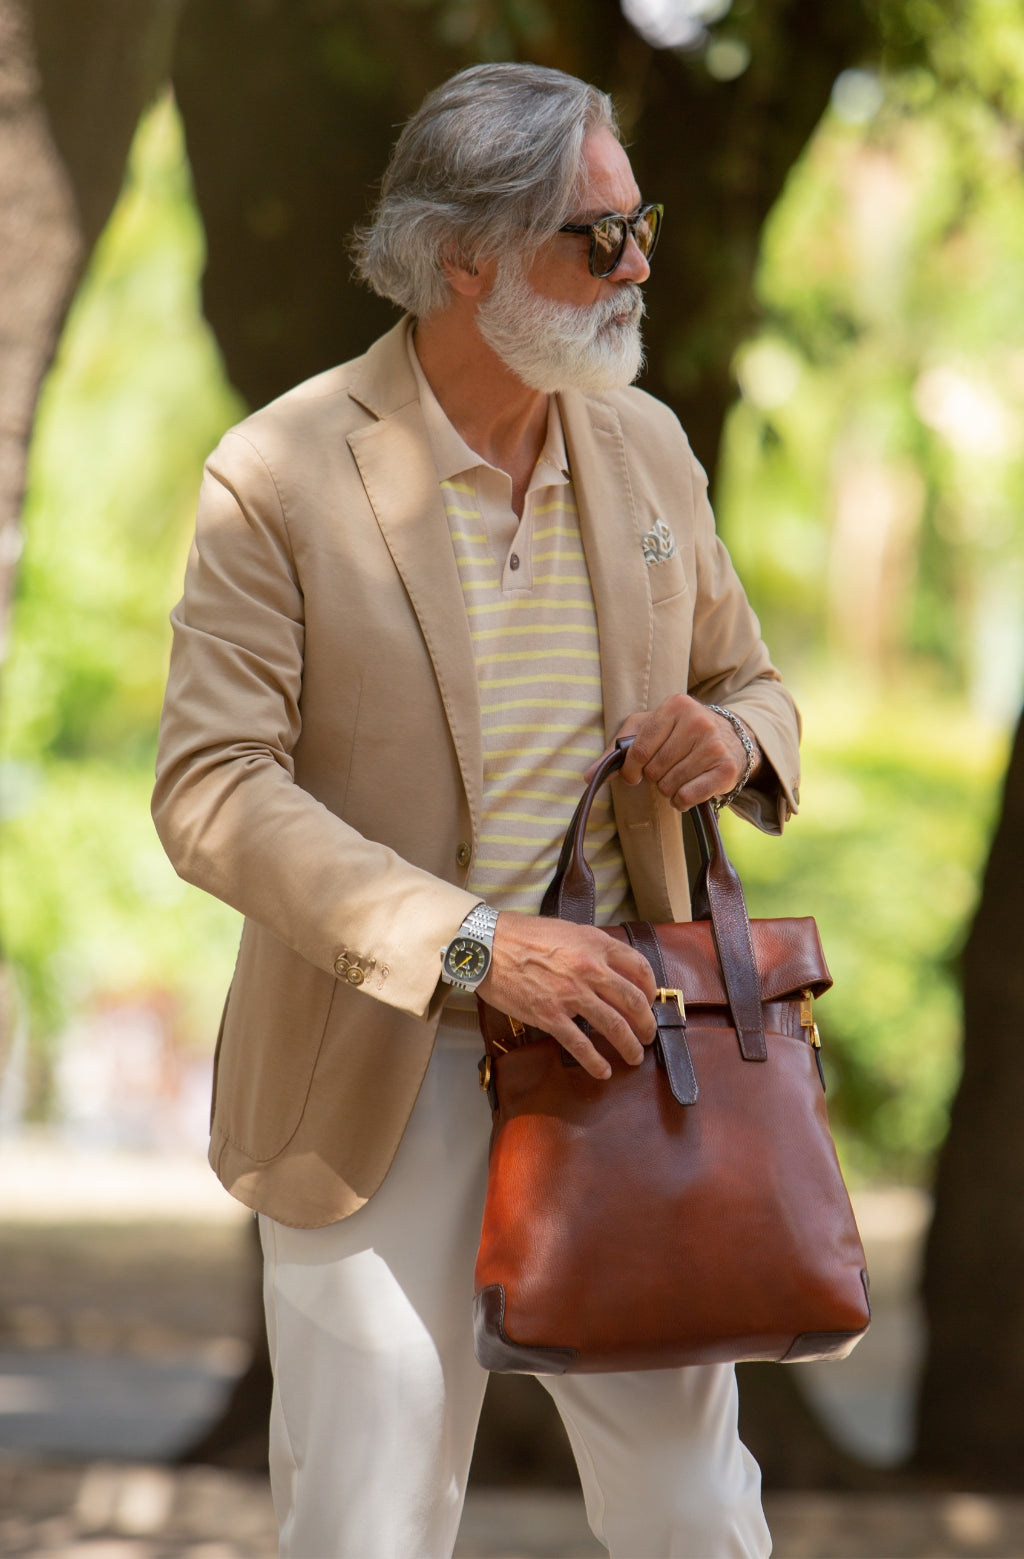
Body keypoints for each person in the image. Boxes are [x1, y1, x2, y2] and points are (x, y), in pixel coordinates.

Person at [153, 61, 799, 1559]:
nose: (638, 268)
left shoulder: (648, 448)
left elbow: (753, 684)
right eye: (598, 236)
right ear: (462, 257)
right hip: (374, 1070)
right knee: (367, 1524)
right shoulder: (277, 474)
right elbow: (211, 785)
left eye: (643, 224)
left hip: (628, 1065)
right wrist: (474, 944)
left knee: (698, 1514)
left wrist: (731, 739)